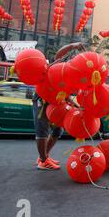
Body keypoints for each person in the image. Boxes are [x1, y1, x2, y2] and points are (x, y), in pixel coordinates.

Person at [33, 42, 86, 170]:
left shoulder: (72, 76)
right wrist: (73, 45)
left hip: (56, 101)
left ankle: (44, 156)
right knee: (42, 128)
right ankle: (43, 161)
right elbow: (59, 53)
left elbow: (65, 93)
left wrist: (76, 106)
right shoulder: (59, 66)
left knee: (58, 130)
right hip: (43, 98)